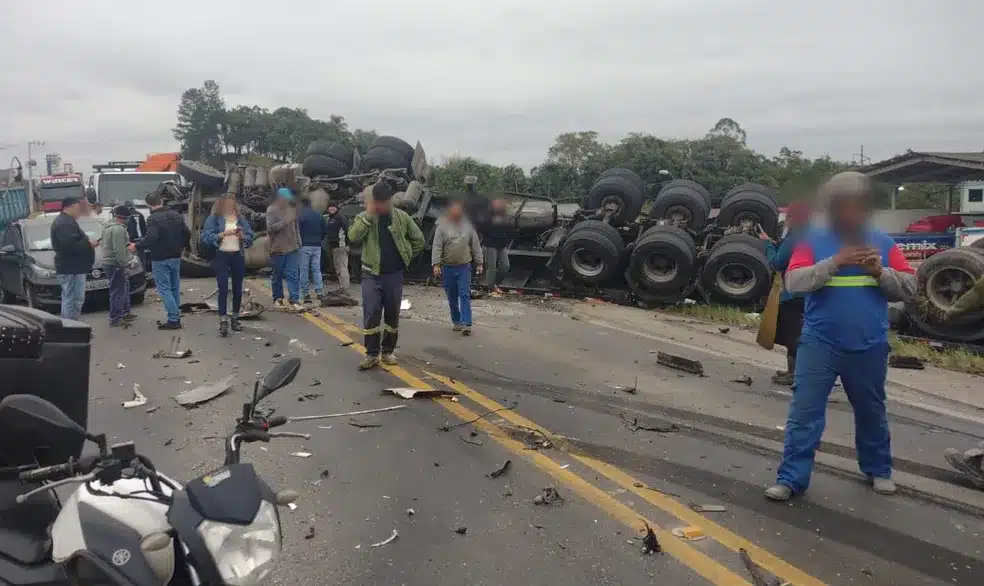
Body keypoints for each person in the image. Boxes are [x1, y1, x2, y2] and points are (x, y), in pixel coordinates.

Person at [765, 171, 917, 502]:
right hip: (820, 343)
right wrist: (834, 262)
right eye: (843, 206)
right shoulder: (812, 242)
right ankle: (792, 478)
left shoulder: (884, 243)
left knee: (871, 410)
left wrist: (880, 272)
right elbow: (795, 283)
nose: (850, 213)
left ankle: (878, 469)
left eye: (856, 206)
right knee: (804, 413)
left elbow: (909, 288)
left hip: (869, 345)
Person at [348, 180, 425, 370]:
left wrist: (406, 256)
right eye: (378, 201)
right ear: (374, 201)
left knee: (392, 315)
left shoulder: (401, 218)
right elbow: (353, 236)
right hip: (371, 276)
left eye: (385, 201)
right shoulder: (364, 218)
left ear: (390, 200)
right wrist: (367, 217)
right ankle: (371, 354)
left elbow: (419, 240)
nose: (381, 205)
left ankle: (388, 351)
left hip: (393, 275)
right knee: (372, 314)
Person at [761, 200, 811, 386]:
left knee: (792, 334)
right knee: (800, 333)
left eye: (788, 217)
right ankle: (795, 372)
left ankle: (794, 375)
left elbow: (777, 263)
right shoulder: (814, 237)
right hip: (810, 293)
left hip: (793, 293)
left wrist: (767, 245)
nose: (786, 221)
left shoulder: (794, 239)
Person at [129, 193, 190, 330]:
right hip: (175, 256)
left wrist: (136, 246)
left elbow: (151, 238)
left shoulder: (153, 219)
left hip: (160, 258)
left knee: (164, 289)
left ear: (148, 204)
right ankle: (175, 316)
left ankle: (173, 319)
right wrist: (182, 247)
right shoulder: (176, 215)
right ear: (161, 201)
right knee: (174, 287)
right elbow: (187, 233)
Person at [201, 195, 255, 337]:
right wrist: (222, 234)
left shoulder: (241, 220)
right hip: (222, 256)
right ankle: (223, 321)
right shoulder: (214, 219)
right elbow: (206, 237)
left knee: (238, 289)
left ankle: (235, 319)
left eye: (232, 204)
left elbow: (250, 238)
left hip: (237, 256)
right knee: (223, 289)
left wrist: (242, 237)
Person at [432, 199, 483, 334]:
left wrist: (479, 263)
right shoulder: (442, 227)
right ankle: (457, 321)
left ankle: (466, 324)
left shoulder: (468, 227)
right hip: (448, 267)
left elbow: (475, 245)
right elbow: (437, 247)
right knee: (452, 296)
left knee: (464, 294)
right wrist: (436, 264)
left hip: (464, 267)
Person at [50, 197, 98, 321]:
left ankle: (73, 325)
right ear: (69, 207)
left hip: (74, 267)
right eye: (77, 209)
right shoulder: (64, 223)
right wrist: (88, 244)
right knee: (72, 299)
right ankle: (69, 327)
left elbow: (74, 241)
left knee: (75, 298)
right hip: (71, 268)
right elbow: (70, 245)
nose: (79, 212)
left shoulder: (67, 221)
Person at [266, 187, 303, 311]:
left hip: (292, 248)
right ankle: (278, 298)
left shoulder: (291, 210)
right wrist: (285, 221)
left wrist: (299, 243)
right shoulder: (271, 210)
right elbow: (271, 228)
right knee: (277, 275)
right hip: (277, 248)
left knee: (293, 275)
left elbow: (296, 228)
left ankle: (294, 299)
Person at [101, 205, 135, 327]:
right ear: (124, 217)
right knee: (118, 290)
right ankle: (115, 318)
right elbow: (119, 250)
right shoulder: (118, 229)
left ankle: (124, 313)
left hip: (109, 262)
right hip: (116, 263)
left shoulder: (108, 226)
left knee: (122, 288)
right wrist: (125, 264)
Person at [473, 196, 512, 291]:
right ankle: (491, 288)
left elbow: (509, 228)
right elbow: (480, 227)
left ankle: (494, 283)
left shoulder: (504, 215)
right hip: (489, 244)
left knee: (505, 266)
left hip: (501, 244)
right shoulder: (487, 215)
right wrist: (491, 223)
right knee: (491, 268)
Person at [296, 196, 327, 303]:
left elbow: (297, 231)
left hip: (304, 246)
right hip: (317, 246)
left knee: (304, 270)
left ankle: (306, 294)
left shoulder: (300, 216)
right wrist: (319, 240)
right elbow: (325, 230)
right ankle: (319, 292)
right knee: (316, 269)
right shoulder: (318, 215)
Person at [324, 203, 351, 292]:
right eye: (329, 208)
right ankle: (342, 287)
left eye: (333, 207)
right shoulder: (332, 218)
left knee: (342, 267)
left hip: (341, 245)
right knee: (338, 267)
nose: (331, 209)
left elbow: (348, 230)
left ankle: (345, 288)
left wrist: (345, 241)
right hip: (335, 246)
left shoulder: (339, 217)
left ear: (337, 208)